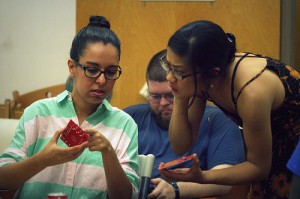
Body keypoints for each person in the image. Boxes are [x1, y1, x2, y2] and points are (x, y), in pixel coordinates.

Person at [0, 16, 139, 199]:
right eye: (92, 69)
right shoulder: (39, 113)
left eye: (111, 72)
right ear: (72, 67)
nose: (102, 80)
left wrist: (108, 153)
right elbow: (3, 180)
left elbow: (128, 197)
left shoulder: (125, 124)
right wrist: (43, 160)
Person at [158, 20, 300, 199]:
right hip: (274, 140)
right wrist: (179, 96)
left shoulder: (251, 93)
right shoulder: (202, 79)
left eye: (178, 71)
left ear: (213, 72)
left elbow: (258, 167)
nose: (169, 77)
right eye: (168, 65)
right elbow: (181, 145)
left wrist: (202, 177)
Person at [124, 49, 246, 198]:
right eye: (155, 96)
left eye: (170, 95)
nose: (163, 103)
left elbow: (223, 183)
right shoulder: (130, 117)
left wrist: (175, 190)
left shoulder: (218, 119)